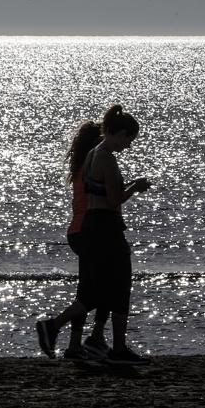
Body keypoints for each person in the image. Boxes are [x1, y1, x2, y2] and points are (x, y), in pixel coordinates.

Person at [51, 105, 151, 366]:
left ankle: (86, 339)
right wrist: (134, 186)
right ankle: (62, 329)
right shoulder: (103, 157)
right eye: (128, 138)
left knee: (96, 288)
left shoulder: (89, 160)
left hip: (89, 228)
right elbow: (113, 199)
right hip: (97, 228)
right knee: (108, 287)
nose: (129, 145)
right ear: (116, 134)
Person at [36, 120, 111, 360]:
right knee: (105, 289)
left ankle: (75, 345)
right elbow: (106, 198)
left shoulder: (81, 167)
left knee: (87, 291)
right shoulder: (93, 165)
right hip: (89, 232)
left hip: (79, 232)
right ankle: (56, 326)